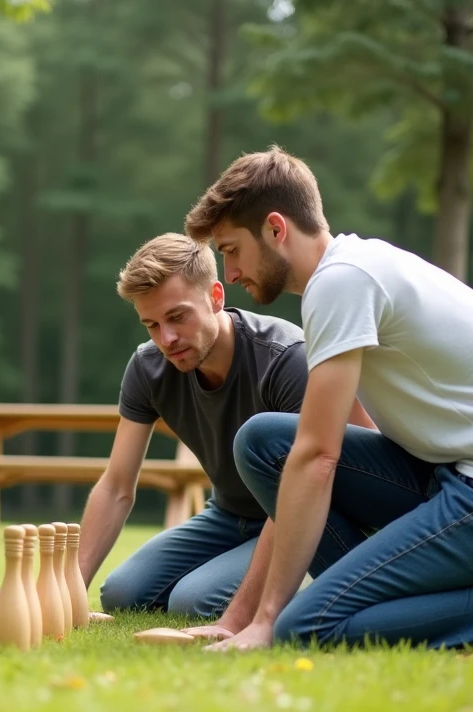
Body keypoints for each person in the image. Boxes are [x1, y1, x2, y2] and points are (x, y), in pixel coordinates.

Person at [181, 146, 473, 650]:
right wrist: (243, 617)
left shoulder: (341, 282)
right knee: (262, 443)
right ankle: (375, 600)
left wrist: (266, 619)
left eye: (231, 250)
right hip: (457, 474)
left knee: (302, 628)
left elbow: (318, 456)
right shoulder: (349, 269)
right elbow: (335, 444)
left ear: (276, 229)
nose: (229, 274)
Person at [77, 232, 372, 620]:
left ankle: (306, 577)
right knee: (121, 593)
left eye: (177, 317)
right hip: (227, 515)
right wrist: (69, 589)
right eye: (151, 325)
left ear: (216, 296)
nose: (167, 339)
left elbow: (308, 484)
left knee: (191, 601)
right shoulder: (148, 368)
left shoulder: (285, 359)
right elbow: (116, 487)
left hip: (300, 517)